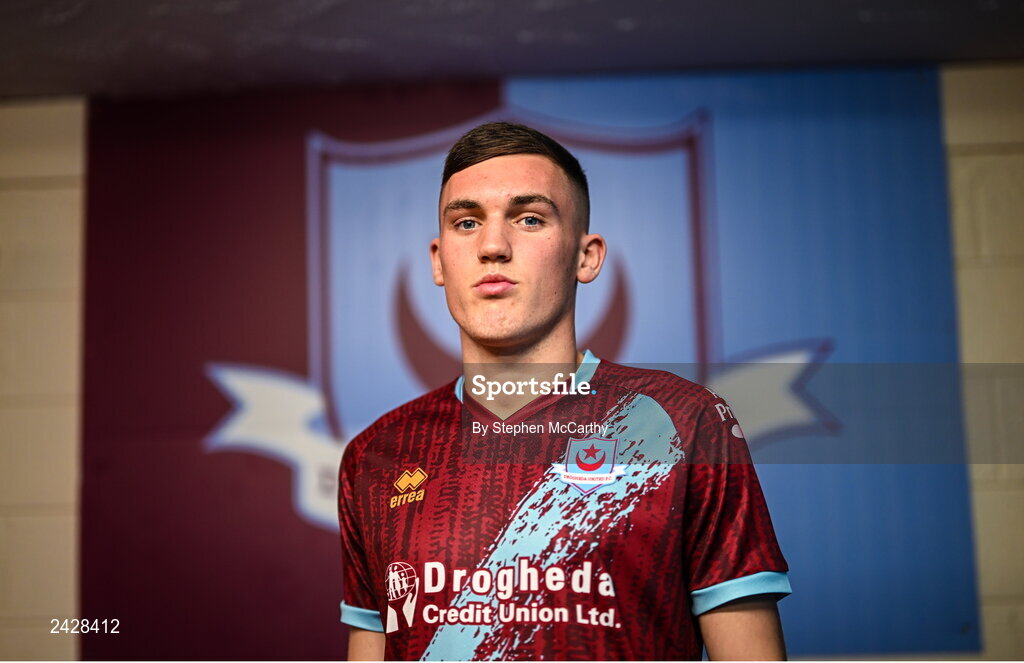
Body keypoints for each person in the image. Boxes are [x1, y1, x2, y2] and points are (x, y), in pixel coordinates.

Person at [338, 121, 790, 661]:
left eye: (529, 219)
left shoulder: (683, 421)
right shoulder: (375, 456)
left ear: (586, 255)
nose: (492, 246)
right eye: (466, 222)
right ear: (439, 260)